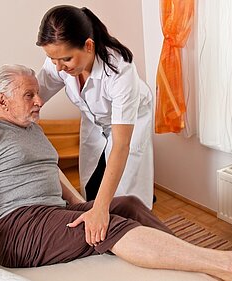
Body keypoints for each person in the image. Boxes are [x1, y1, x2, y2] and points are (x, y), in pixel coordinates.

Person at [0, 64, 232, 281]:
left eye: (38, 93)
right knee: (105, 228)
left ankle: (195, 262)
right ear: (1, 100)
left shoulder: (33, 130)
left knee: (126, 204)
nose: (39, 101)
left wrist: (86, 206)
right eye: (29, 95)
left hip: (49, 214)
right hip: (15, 229)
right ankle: (231, 264)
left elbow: (53, 175)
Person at [36, 5, 156, 246]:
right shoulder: (60, 61)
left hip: (130, 123)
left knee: (124, 194)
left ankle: (142, 232)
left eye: (66, 59)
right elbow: (34, 97)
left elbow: (121, 144)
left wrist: (101, 210)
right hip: (95, 121)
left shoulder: (120, 72)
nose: (58, 67)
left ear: (88, 46)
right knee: (91, 187)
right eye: (52, 59)